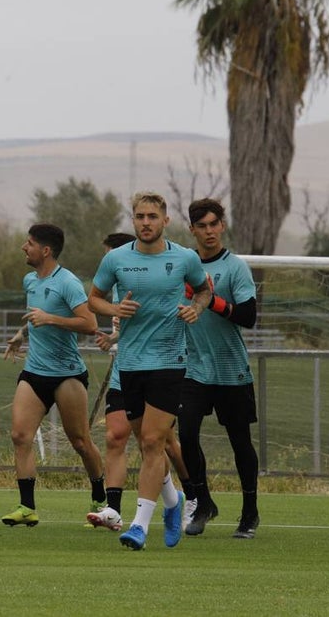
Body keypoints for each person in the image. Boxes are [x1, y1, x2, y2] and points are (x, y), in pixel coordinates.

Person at [88, 192, 210, 551]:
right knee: (146, 443)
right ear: (134, 220)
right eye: (139, 216)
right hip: (130, 363)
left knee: (155, 441)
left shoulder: (185, 258)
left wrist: (196, 309)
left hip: (170, 361)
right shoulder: (116, 259)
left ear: (165, 220)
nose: (145, 222)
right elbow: (94, 297)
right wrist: (114, 307)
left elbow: (203, 291)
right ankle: (172, 503)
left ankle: (139, 526)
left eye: (152, 216)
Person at [0, 223, 104, 526]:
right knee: (20, 436)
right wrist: (22, 334)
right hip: (34, 372)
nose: (24, 247)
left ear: (45, 250)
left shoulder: (68, 283)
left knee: (81, 442)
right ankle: (27, 507)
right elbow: (36, 317)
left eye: (29, 243)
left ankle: (100, 500)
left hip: (67, 375)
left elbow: (89, 324)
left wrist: (51, 319)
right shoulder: (29, 280)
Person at [87, 233, 190, 532]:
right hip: (127, 370)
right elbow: (102, 306)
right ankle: (119, 508)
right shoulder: (117, 284)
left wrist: (195, 306)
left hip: (163, 367)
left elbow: (164, 315)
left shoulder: (158, 279)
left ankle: (189, 495)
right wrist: (112, 337)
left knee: (158, 442)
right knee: (117, 437)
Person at [180, 198, 260, 539]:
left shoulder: (236, 267)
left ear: (222, 226)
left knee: (240, 441)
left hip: (230, 369)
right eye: (202, 226)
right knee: (185, 436)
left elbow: (248, 317)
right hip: (192, 367)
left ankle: (250, 512)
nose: (209, 231)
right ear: (192, 229)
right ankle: (205, 503)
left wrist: (209, 299)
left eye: (214, 224)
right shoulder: (182, 265)